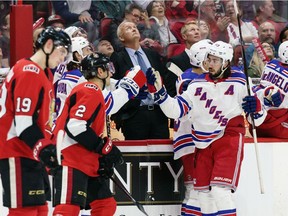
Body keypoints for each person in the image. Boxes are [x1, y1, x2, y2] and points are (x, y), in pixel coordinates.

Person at [147, 41, 247, 215]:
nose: (210, 64)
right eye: (209, 59)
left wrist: (257, 106)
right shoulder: (195, 85)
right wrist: (160, 94)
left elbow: (257, 118)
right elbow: (175, 111)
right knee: (202, 194)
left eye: (216, 60)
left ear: (226, 62)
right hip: (201, 144)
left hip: (227, 139)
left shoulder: (239, 82)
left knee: (219, 191)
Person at [52, 53, 146, 216]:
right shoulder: (90, 89)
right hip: (71, 158)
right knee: (68, 209)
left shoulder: (93, 92)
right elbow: (75, 126)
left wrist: (101, 155)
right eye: (108, 69)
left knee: (105, 205)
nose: (111, 73)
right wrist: (102, 147)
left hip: (85, 160)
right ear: (100, 72)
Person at [0, 26, 71, 216]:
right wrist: (44, 149)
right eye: (62, 51)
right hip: (16, 150)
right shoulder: (29, 70)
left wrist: (44, 149)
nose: (63, 58)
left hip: (29, 152)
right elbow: (23, 121)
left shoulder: (42, 74)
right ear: (48, 45)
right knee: (25, 212)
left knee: (40, 210)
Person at [111, 21, 170, 140]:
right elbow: (113, 86)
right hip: (134, 115)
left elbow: (164, 80)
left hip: (158, 113)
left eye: (134, 27)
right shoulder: (117, 57)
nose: (133, 29)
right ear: (121, 37)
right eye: (128, 28)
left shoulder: (152, 54)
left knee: (161, 154)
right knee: (137, 156)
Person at [174, 39, 212, 215]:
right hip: (189, 139)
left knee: (204, 189)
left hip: (198, 138)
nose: (213, 61)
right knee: (194, 190)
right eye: (210, 57)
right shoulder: (189, 80)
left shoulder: (198, 76)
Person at [242, 41, 288, 138]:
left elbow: (262, 88)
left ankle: (258, 111)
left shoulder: (271, 64)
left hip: (260, 122)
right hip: (278, 125)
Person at [167, 20, 201, 97]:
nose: (196, 32)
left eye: (198, 30)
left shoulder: (208, 59)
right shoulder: (175, 62)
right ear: (184, 36)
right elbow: (172, 91)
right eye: (192, 30)